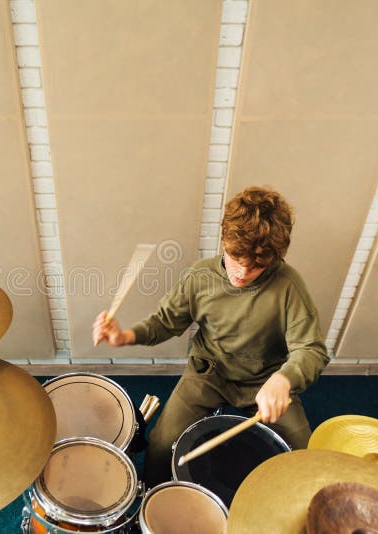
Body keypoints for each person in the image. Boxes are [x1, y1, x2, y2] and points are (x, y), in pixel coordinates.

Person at [92, 186, 330, 487]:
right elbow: (166, 322)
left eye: (257, 265)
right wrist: (125, 336)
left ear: (273, 258)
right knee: (162, 447)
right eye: (235, 257)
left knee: (306, 454)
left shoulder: (288, 285)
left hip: (265, 378)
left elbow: (311, 349)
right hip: (209, 372)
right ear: (224, 240)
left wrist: (284, 380)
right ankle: (154, 502)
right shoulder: (200, 277)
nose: (243, 272)